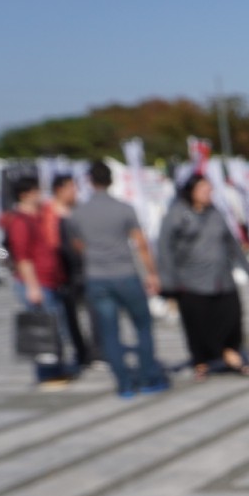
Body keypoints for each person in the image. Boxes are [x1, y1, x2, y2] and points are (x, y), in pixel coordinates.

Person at [69, 162, 169, 398]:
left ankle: (124, 384)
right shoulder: (124, 208)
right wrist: (152, 274)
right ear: (111, 180)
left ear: (90, 181)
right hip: (125, 274)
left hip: (97, 277)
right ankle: (147, 378)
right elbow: (141, 244)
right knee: (143, 327)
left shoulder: (78, 213)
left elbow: (78, 246)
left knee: (110, 333)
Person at [156, 173, 249, 382]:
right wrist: (168, 281)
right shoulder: (177, 214)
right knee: (198, 324)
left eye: (210, 189)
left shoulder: (215, 213)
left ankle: (230, 352)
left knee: (232, 316)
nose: (209, 193)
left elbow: (231, 241)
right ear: (191, 192)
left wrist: (247, 267)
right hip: (191, 281)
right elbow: (164, 249)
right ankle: (201, 362)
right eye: (203, 189)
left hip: (222, 278)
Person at [2, 179, 76, 390]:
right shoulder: (19, 221)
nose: (40, 195)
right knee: (42, 331)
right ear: (25, 195)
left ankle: (57, 369)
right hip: (36, 282)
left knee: (55, 328)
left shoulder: (39, 215)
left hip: (50, 279)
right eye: (36, 191)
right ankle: (47, 374)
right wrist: (32, 287)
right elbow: (22, 257)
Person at [47, 173, 97, 370]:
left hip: (85, 268)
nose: (75, 192)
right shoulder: (49, 213)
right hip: (62, 271)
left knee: (93, 311)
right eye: (71, 188)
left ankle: (95, 350)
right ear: (59, 190)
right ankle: (80, 352)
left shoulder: (78, 211)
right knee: (68, 315)